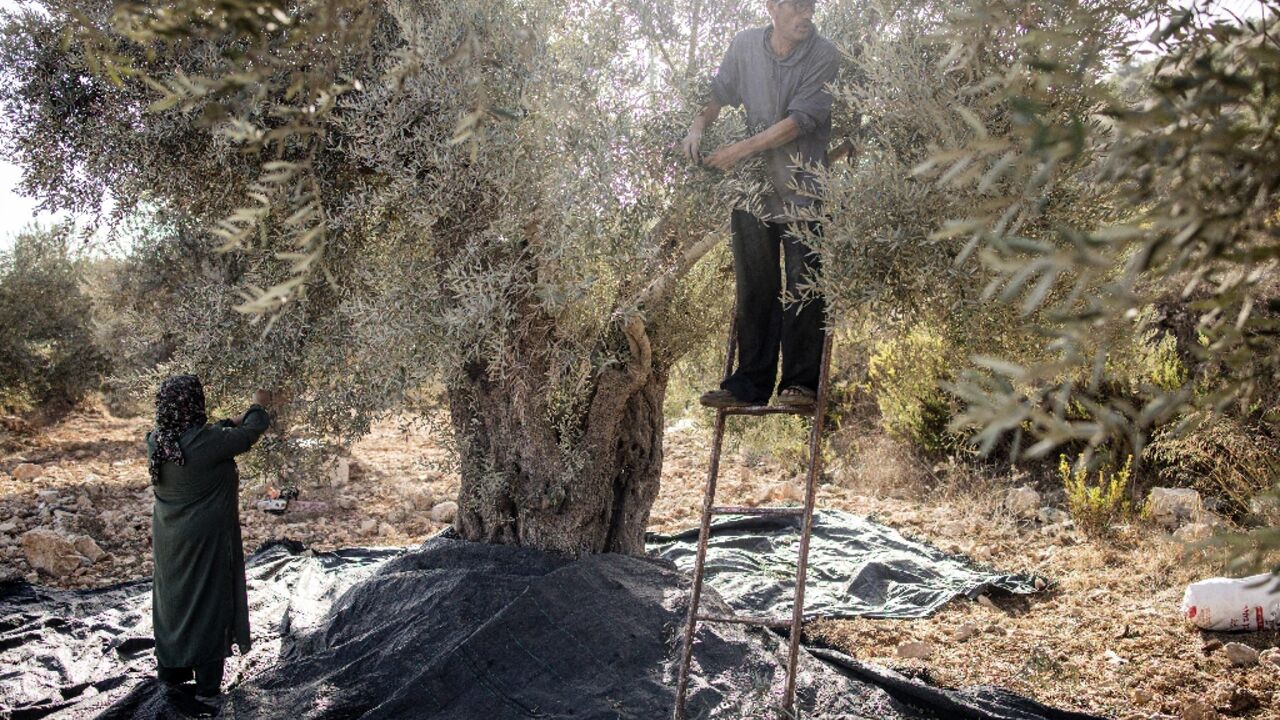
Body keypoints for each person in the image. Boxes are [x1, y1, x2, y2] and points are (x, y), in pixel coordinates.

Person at [682, 0, 840, 409]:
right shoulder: (744, 45)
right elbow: (717, 93)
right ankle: (748, 385)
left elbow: (799, 122)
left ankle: (800, 386)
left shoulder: (824, 54)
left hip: (806, 191)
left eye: (811, 7)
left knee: (804, 286)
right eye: (797, 6)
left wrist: (738, 151)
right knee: (755, 286)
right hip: (753, 192)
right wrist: (699, 125)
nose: (807, 15)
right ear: (772, 6)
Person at [146, 375, 272, 699]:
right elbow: (249, 434)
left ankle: (171, 671)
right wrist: (259, 404)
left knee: (174, 599)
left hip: (169, 538)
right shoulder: (207, 444)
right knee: (208, 600)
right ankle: (206, 685)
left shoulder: (158, 441)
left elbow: (208, 437)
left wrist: (228, 421)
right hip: (205, 540)